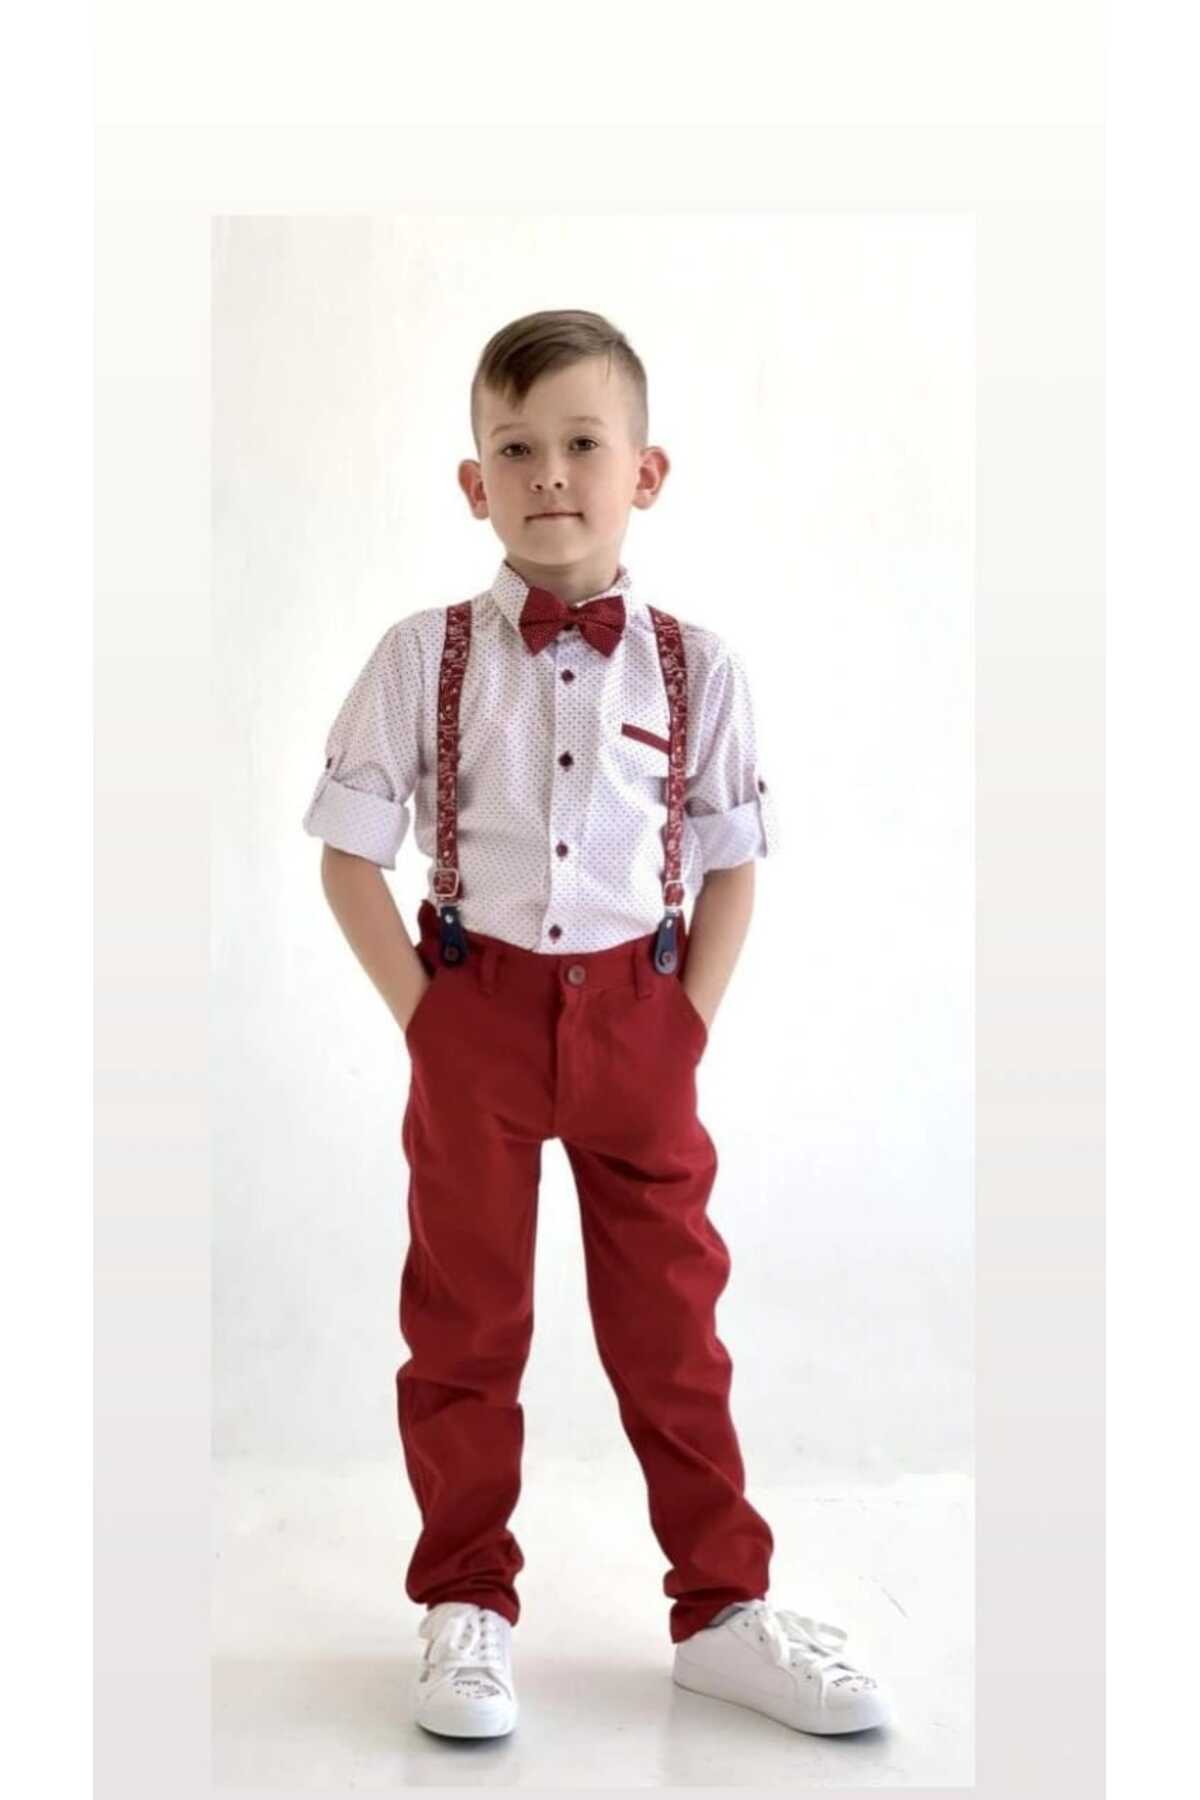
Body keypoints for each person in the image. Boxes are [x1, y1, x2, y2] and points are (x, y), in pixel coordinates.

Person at [301, 309, 892, 1741]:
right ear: (473, 482)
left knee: (673, 1327)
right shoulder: (421, 656)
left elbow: (732, 861)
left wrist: (683, 1028)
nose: (549, 474)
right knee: (464, 1325)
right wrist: (429, 1022)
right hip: (478, 1016)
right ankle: (466, 1603)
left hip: (640, 1020)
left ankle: (723, 1611)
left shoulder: (699, 665)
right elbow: (347, 853)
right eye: (515, 449)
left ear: (647, 470)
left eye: (582, 443)